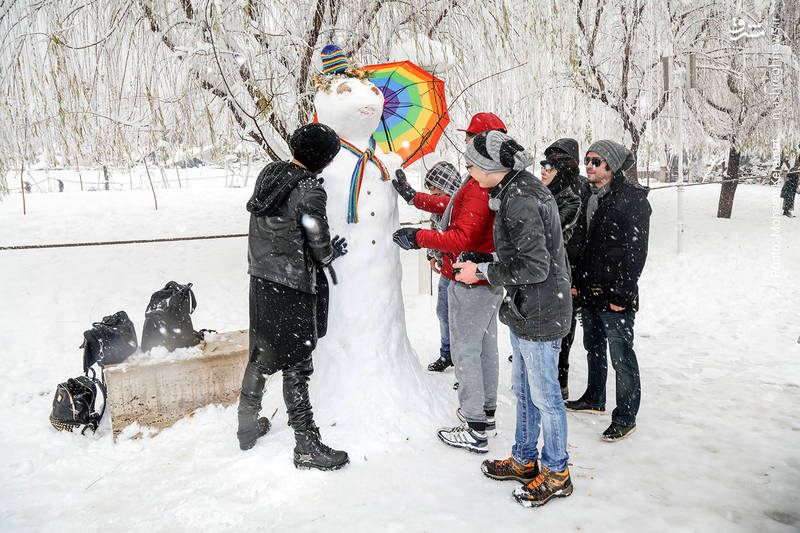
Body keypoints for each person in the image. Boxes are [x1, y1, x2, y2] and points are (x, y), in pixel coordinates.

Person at [453, 130, 574, 508]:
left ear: (492, 167)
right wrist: (484, 259)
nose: (469, 170)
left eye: (472, 163)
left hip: (540, 310)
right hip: (528, 308)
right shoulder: (515, 190)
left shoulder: (520, 198)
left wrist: (484, 273)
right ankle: (524, 460)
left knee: (546, 397)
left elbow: (535, 266)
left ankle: (557, 472)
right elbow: (523, 254)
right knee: (525, 392)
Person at [391, 113, 508, 452]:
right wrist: (414, 198)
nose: (467, 141)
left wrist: (420, 237)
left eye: (471, 136)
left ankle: (474, 425)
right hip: (487, 278)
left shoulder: (481, 179)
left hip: (471, 280)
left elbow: (460, 236)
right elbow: (455, 203)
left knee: (466, 351)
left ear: (483, 138)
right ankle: (485, 413)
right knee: (485, 349)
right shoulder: (485, 177)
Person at [237, 123, 350, 471]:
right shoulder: (310, 191)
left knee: (261, 352)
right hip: (292, 284)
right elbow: (318, 244)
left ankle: (246, 426)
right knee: (298, 363)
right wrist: (332, 253)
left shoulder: (270, 175)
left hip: (261, 280)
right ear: (322, 159)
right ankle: (305, 443)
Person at [565, 140, 651, 443]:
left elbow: (636, 252)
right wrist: (576, 281)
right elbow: (582, 244)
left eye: (596, 161)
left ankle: (626, 415)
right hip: (589, 288)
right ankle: (594, 396)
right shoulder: (587, 194)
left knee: (621, 356)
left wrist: (623, 295)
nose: (588, 165)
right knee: (594, 347)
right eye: (588, 160)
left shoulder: (633, 198)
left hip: (615, 293)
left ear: (611, 166)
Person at [541, 138, 586, 400]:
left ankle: (560, 381)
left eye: (553, 161)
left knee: (564, 333)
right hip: (555, 272)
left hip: (569, 272)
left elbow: (576, 240)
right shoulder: (549, 192)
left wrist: (576, 279)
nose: (545, 168)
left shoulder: (576, 196)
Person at [421, 161, 466, 372]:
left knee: (462, 319)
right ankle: (446, 353)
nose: (432, 196)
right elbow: (434, 231)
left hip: (465, 273)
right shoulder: (438, 209)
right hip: (447, 271)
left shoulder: (462, 206)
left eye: (434, 190)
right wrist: (432, 255)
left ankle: (463, 363)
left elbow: (455, 238)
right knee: (443, 312)